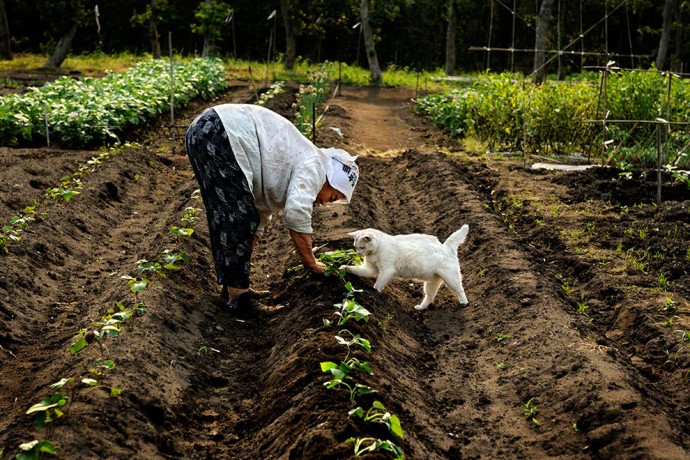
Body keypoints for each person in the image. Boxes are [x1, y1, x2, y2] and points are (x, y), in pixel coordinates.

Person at [185, 103, 359, 313]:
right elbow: (296, 213)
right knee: (237, 216)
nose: (324, 203)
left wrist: (246, 249)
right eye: (332, 197)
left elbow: (258, 216)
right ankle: (240, 299)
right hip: (221, 131)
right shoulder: (315, 167)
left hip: (207, 130)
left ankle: (233, 288)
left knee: (232, 215)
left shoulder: (297, 167)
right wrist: (311, 264)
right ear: (329, 180)